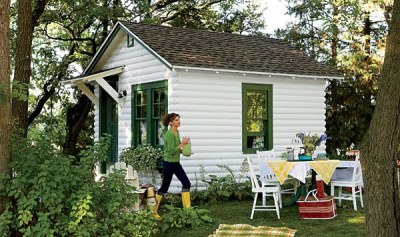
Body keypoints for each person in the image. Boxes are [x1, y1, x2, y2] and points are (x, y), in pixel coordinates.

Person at [152, 113, 191, 219]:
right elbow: (171, 151)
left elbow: (177, 148)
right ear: (170, 122)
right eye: (176, 120)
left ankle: (188, 211)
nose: (179, 121)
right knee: (164, 187)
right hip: (168, 164)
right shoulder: (169, 134)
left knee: (187, 183)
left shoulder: (177, 132)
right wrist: (182, 144)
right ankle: (153, 211)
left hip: (176, 164)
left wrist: (185, 152)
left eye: (179, 120)